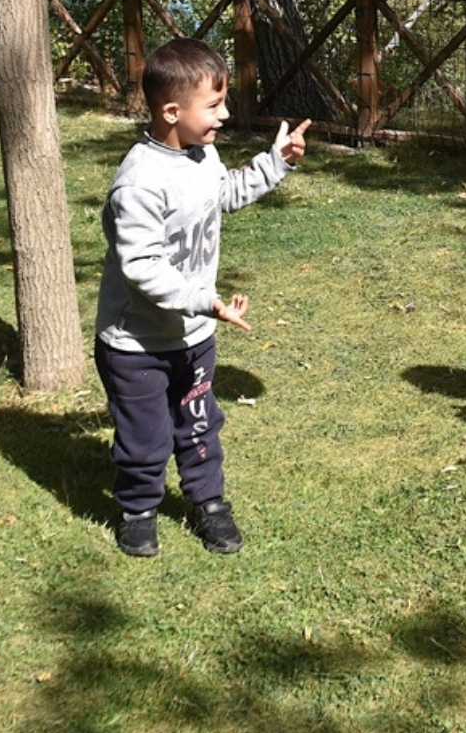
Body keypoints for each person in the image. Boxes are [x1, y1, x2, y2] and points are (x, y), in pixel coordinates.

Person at [94, 38, 310, 557]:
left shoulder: (202, 154)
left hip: (193, 334)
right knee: (144, 436)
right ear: (172, 111)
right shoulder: (140, 183)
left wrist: (275, 162)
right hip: (136, 344)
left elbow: (224, 194)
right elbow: (142, 267)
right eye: (213, 105)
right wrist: (204, 300)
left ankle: (208, 503)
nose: (225, 114)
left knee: (198, 424)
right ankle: (139, 510)